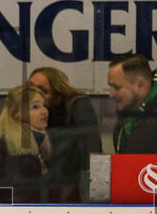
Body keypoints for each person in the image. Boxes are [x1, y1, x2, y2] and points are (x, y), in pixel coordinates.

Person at [27, 67, 101, 201]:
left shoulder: (78, 108)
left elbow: (92, 152)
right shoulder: (27, 111)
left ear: (59, 93)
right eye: (30, 89)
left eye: (43, 91)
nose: (35, 94)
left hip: (73, 188)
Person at [0, 85, 51, 203]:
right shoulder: (18, 148)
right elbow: (17, 196)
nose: (44, 111)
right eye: (35, 107)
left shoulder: (32, 142)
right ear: (18, 114)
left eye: (44, 105)